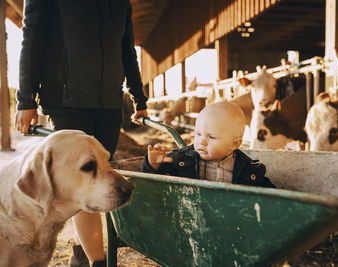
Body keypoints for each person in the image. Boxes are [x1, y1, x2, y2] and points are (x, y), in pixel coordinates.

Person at [14, 1, 148, 266]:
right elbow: (32, 36)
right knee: (85, 181)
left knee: (98, 182)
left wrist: (139, 99)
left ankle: (80, 255)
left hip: (109, 102)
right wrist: (25, 99)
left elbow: (126, 48)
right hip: (66, 99)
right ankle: (99, 261)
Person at [142, 102, 276, 188]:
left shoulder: (248, 170)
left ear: (234, 144)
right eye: (198, 134)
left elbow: (270, 197)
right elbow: (155, 181)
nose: (201, 141)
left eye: (211, 137)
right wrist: (153, 164)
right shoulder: (181, 160)